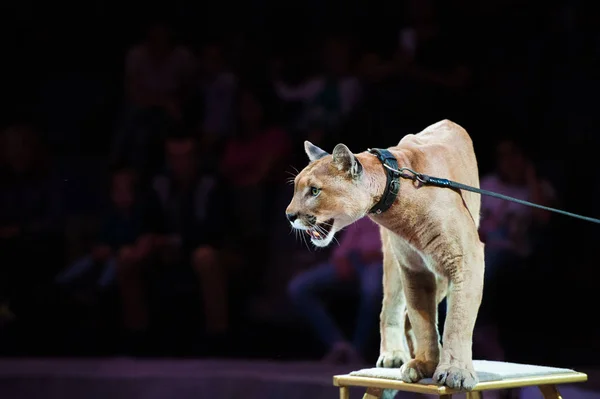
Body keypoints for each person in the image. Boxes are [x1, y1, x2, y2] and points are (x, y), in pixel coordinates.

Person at [474, 137, 556, 361]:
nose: (508, 161)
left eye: (513, 155)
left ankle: (483, 330)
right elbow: (470, 219)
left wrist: (530, 177)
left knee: (490, 264)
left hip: (515, 254)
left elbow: (543, 218)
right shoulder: (488, 184)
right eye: (503, 155)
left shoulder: (538, 189)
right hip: (482, 249)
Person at [151, 131, 237, 341]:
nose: (179, 164)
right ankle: (138, 338)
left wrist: (176, 242)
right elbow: (149, 222)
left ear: (196, 158)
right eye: (173, 158)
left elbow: (215, 232)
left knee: (204, 257)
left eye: (185, 157)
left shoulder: (212, 185)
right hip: (170, 251)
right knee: (129, 255)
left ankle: (217, 337)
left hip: (218, 251)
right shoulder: (160, 184)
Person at [54, 167, 163, 307]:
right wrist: (100, 248)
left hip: (122, 258)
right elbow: (103, 238)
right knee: (87, 260)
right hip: (106, 253)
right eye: (118, 191)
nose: (122, 195)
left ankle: (101, 289)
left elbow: (137, 242)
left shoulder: (141, 216)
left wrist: (114, 250)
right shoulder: (111, 216)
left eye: (127, 190)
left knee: (113, 264)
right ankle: (62, 282)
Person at [287, 217, 383, 364]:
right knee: (299, 287)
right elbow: (349, 238)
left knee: (372, 291)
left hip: (380, 261)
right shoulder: (364, 202)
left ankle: (358, 351)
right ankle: (339, 345)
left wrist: (378, 254)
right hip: (353, 259)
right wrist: (341, 257)